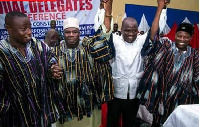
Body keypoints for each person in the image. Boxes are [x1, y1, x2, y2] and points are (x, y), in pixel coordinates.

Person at [136, 0, 199, 126]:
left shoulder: (195, 55)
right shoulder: (166, 45)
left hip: (182, 102)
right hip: (161, 99)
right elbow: (153, 36)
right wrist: (160, 8)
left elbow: (197, 79)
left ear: (191, 38)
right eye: (179, 36)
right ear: (175, 35)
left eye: (186, 37)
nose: (182, 39)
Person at [0, 11, 65, 127]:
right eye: (24, 29)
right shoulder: (2, 53)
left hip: (42, 117)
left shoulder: (38, 45)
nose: (29, 32)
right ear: (8, 28)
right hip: (15, 119)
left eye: (30, 28)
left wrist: (53, 69)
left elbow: (51, 59)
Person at [54, 0, 114, 126]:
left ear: (79, 33)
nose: (71, 35)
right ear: (63, 33)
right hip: (65, 108)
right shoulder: (54, 52)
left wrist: (107, 10)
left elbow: (104, 35)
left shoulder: (88, 46)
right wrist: (52, 71)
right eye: (67, 32)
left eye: (74, 32)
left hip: (88, 105)